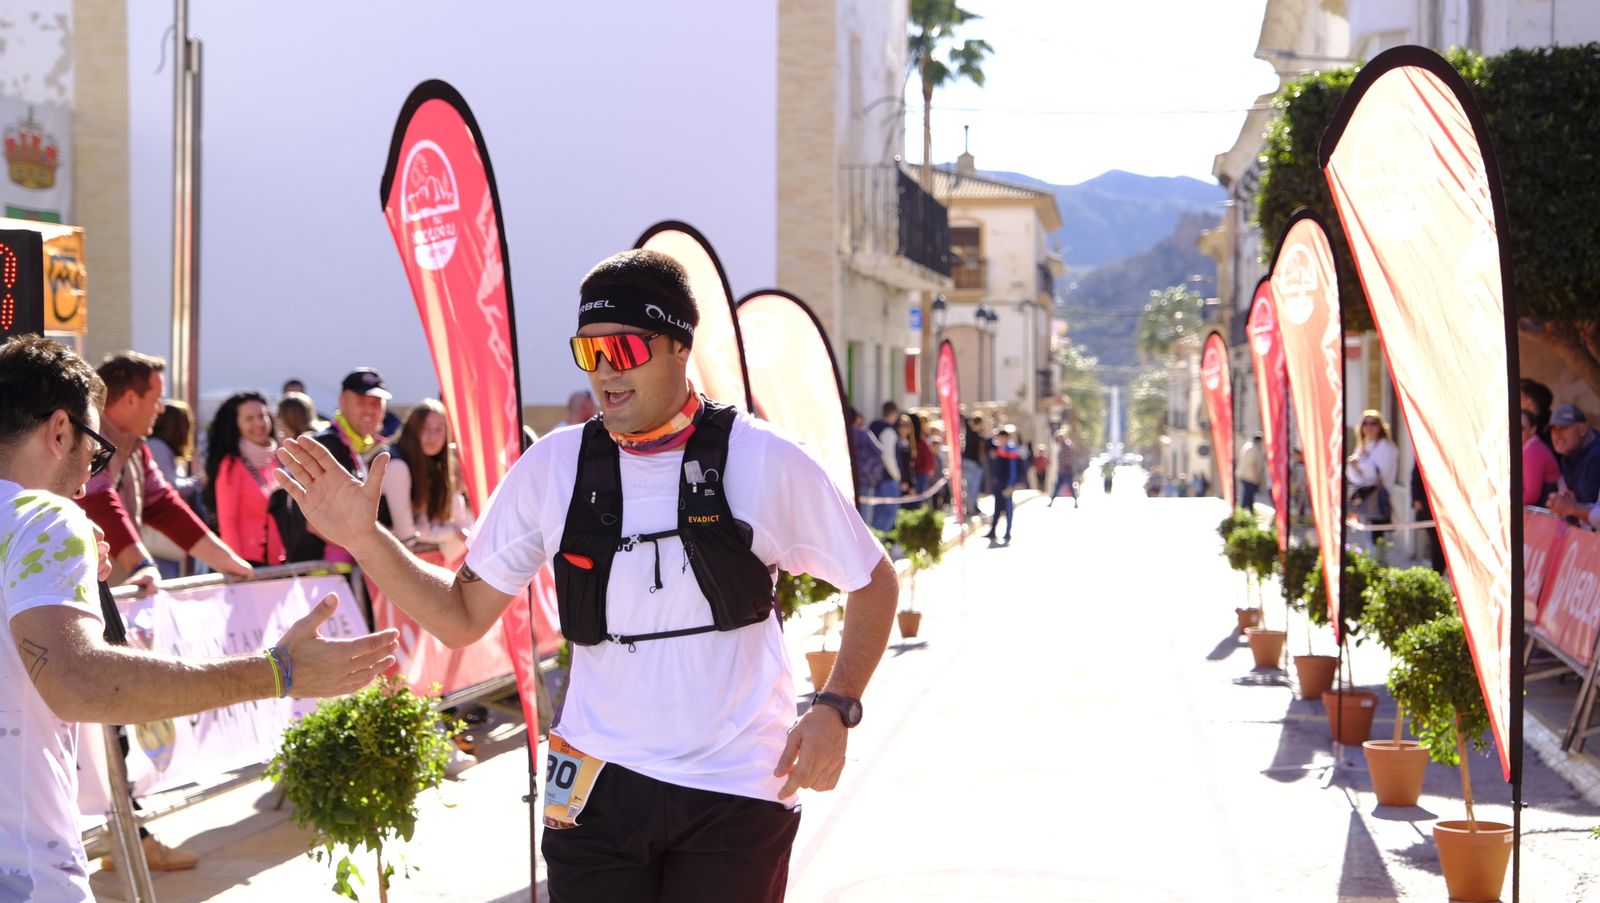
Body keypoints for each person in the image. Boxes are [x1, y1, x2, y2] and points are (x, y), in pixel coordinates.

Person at [274, 249, 897, 901]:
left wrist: (836, 704)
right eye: (587, 352)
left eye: (622, 349)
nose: (604, 373)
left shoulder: (764, 459)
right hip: (592, 780)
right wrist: (364, 539)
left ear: (678, 346)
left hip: (735, 782)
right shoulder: (553, 466)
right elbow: (460, 617)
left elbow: (873, 580)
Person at [0, 335, 398, 899]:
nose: (88, 479)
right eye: (93, 451)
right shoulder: (44, 519)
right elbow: (79, 682)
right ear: (60, 431)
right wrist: (279, 671)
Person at [76, 352, 253, 597]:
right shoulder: (88, 439)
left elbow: (163, 504)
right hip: (84, 590)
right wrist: (141, 564)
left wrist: (230, 562)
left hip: (115, 588)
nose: (160, 409)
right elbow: (97, 499)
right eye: (157, 399)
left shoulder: (137, 447)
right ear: (129, 399)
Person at [310, 368, 395, 560]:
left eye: (376, 403)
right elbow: (312, 522)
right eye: (361, 401)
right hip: (324, 577)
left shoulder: (360, 445)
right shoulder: (327, 445)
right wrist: (374, 548)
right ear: (342, 401)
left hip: (347, 573)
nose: (369, 410)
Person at [382, 399, 474, 560]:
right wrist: (452, 532)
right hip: (378, 559)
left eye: (439, 429)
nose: (432, 436)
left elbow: (431, 525)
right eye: (425, 428)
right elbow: (407, 536)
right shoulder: (397, 466)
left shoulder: (430, 464)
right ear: (413, 429)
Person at [205, 391, 286, 567]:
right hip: (248, 564)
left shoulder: (276, 459)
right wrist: (236, 567)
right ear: (236, 425)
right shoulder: (231, 465)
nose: (258, 423)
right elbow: (228, 523)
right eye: (249, 419)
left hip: (280, 562)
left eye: (262, 416)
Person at [146, 401, 202, 579]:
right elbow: (171, 487)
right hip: (159, 537)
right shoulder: (157, 446)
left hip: (163, 538)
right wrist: (199, 481)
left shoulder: (160, 447)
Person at [1346, 410, 1398, 539]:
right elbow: (1354, 476)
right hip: (1364, 497)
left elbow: (1379, 473)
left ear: (1380, 426)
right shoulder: (1362, 446)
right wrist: (1355, 466)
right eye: (1365, 423)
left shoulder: (1386, 447)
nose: (1369, 427)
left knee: (1378, 536)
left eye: (1373, 423)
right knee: (1366, 535)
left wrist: (1359, 466)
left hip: (1378, 496)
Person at [1546, 404, 1600, 523]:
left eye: (1563, 428)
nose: (1557, 435)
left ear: (1582, 430)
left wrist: (1572, 508)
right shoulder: (1568, 455)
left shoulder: (1596, 457)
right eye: (1553, 429)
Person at [846, 405, 887, 527]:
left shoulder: (838, 435)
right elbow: (880, 451)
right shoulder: (863, 434)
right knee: (864, 516)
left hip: (845, 479)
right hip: (864, 479)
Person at [866, 402, 902, 533]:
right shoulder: (888, 431)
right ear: (894, 413)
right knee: (888, 514)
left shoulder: (872, 426)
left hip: (873, 477)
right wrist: (897, 476)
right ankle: (882, 546)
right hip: (887, 479)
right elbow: (888, 457)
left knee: (876, 514)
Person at [985, 425, 1023, 543]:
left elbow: (1013, 470)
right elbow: (988, 442)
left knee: (1007, 509)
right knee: (997, 508)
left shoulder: (1011, 450)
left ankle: (1007, 532)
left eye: (1001, 437)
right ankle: (993, 531)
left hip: (1006, 484)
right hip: (998, 483)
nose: (999, 440)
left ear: (1006, 437)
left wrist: (1011, 485)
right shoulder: (999, 450)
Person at [1522, 407, 1561, 507]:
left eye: (1520, 428)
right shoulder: (1528, 448)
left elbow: (1531, 497)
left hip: (1545, 513)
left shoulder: (1532, 451)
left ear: (1532, 430)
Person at [961, 414, 987, 520]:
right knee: (971, 488)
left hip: (976, 464)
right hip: (971, 463)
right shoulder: (971, 432)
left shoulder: (979, 435)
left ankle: (973, 507)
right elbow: (966, 418)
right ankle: (970, 508)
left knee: (974, 488)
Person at [1048, 432, 1077, 508]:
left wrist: (1066, 468)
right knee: (1056, 487)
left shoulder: (1067, 447)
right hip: (1062, 472)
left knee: (1070, 488)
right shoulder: (1062, 447)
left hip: (1066, 472)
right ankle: (1051, 502)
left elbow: (1069, 460)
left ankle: (1076, 502)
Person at [1238, 432, 1265, 511]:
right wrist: (1257, 476)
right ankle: (1243, 511)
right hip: (1250, 476)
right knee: (1248, 495)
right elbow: (1253, 464)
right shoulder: (1253, 448)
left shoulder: (1248, 446)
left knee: (1248, 494)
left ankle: (1248, 510)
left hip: (1245, 475)